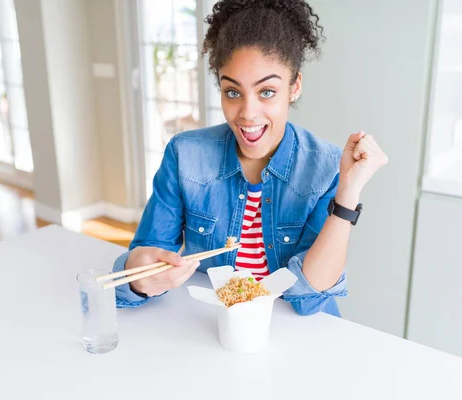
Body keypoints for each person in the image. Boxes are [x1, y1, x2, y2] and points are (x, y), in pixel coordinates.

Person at [112, 0, 388, 316]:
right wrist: (141, 276)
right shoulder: (185, 155)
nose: (247, 113)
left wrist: (348, 194)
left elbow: (309, 295)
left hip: (298, 336)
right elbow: (140, 262)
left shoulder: (326, 165)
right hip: (213, 326)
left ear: (294, 86)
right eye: (233, 92)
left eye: (266, 92)